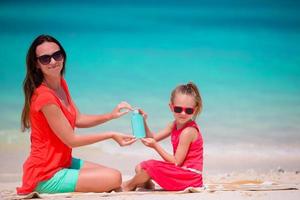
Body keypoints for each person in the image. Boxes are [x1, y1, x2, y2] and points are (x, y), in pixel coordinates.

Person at [17, 34, 136, 195]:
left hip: (62, 162)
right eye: (45, 59)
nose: (53, 61)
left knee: (112, 175)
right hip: (45, 174)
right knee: (114, 177)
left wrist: (110, 115)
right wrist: (110, 134)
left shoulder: (60, 83)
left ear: (63, 56)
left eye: (57, 55)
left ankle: (134, 182)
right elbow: (71, 140)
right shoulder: (45, 97)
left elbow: (78, 119)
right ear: (37, 64)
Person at [122, 82, 203, 191]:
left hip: (189, 177)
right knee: (140, 167)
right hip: (179, 171)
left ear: (195, 110)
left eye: (188, 110)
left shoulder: (188, 132)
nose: (183, 113)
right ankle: (147, 184)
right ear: (171, 107)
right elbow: (152, 137)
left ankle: (128, 185)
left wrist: (156, 146)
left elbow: (176, 162)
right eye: (178, 109)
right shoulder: (173, 125)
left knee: (150, 167)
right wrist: (143, 121)